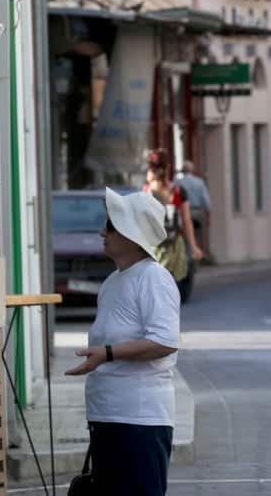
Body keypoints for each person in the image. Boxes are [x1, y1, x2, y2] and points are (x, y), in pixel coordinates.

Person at [66, 188, 180, 496]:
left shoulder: (154, 278)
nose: (103, 231)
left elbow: (165, 341)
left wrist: (106, 353)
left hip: (140, 420)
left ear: (132, 235)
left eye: (112, 226)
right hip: (108, 416)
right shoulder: (112, 281)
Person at [145, 149, 203, 301]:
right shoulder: (177, 191)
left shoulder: (146, 191)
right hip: (174, 245)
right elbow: (186, 221)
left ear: (150, 168)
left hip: (153, 246)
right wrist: (193, 246)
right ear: (168, 167)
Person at [176, 160, 212, 256]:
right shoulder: (199, 182)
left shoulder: (177, 182)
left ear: (182, 171)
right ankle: (197, 252)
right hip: (197, 212)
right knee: (198, 234)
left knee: (184, 235)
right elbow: (206, 201)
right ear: (192, 170)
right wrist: (208, 214)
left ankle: (186, 254)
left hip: (184, 212)